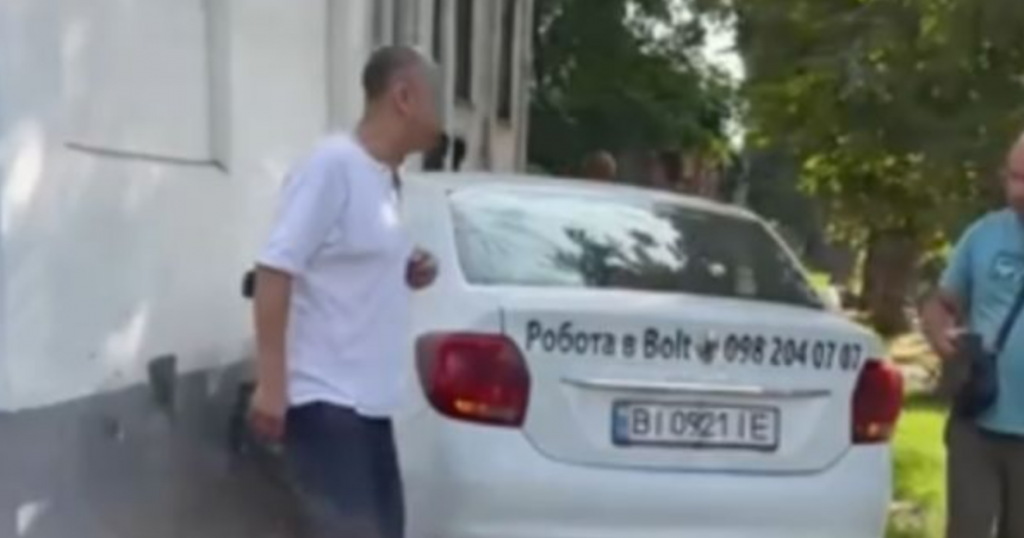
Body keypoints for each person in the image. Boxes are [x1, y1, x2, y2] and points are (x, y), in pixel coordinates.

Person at [248, 45, 441, 538]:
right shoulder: (332, 165)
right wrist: (272, 386)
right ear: (403, 97)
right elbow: (275, 269)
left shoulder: (386, 180)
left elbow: (351, 258)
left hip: (370, 409)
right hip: (326, 406)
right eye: (436, 99)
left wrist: (410, 265)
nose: (442, 116)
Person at [921, 132, 1024, 538]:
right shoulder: (984, 234)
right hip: (977, 420)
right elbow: (941, 301)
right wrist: (939, 331)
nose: (1018, 192)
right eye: (1014, 177)